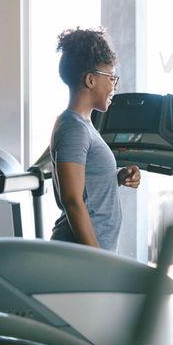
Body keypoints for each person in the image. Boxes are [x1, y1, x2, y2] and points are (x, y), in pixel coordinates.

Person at [50, 27, 141, 252]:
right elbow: (72, 200)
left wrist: (115, 177)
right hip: (81, 257)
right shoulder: (74, 129)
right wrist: (99, 260)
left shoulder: (83, 125)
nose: (113, 86)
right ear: (90, 80)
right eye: (111, 78)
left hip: (88, 255)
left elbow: (85, 188)